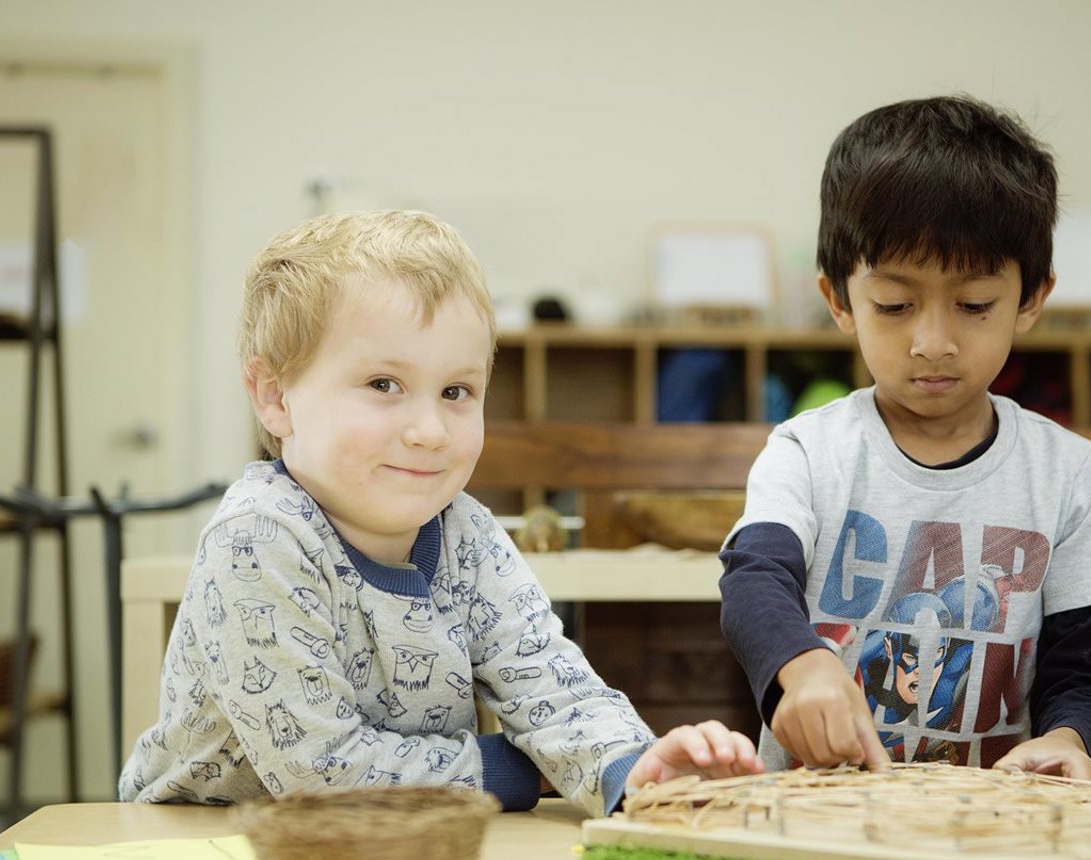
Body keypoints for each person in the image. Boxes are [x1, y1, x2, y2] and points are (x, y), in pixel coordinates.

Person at [120, 209, 761, 816]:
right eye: (383, 385)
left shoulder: (466, 533)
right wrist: (512, 771)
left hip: (397, 846)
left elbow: (551, 684)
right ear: (273, 397)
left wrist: (633, 769)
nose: (429, 430)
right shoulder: (258, 537)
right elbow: (318, 771)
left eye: (457, 391)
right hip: (200, 842)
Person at [719, 96, 1091, 782]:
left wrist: (1074, 743)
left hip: (996, 824)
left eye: (975, 305)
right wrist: (803, 669)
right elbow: (756, 580)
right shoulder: (807, 451)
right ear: (838, 300)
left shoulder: (1067, 474)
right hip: (818, 814)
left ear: (1032, 297)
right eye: (894, 305)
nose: (933, 343)